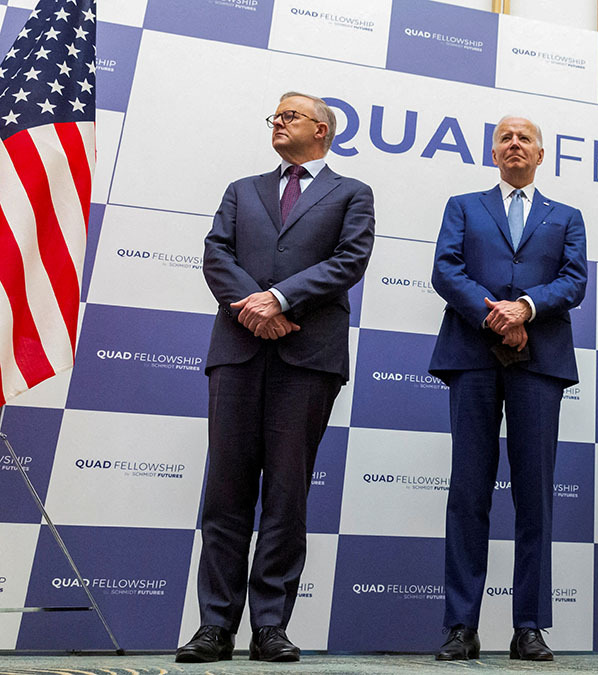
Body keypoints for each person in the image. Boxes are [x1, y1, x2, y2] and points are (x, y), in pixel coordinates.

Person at [177, 92, 374, 663]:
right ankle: (215, 626)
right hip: (238, 350)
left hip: (307, 357)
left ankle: (270, 626)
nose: (278, 123)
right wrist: (255, 307)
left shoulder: (353, 193)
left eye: (290, 116)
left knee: (287, 496)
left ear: (322, 129)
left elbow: (349, 260)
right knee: (226, 493)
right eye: (276, 116)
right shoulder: (242, 189)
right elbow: (217, 253)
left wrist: (281, 298)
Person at [428, 115, 587, 661]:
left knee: (535, 496)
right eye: (505, 138)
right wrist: (494, 314)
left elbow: (574, 280)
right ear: (493, 153)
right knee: (467, 492)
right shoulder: (463, 206)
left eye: (525, 138)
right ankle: (460, 626)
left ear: (540, 155)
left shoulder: (566, 216)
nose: (514, 143)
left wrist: (526, 308)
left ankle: (529, 627)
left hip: (539, 361)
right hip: (472, 354)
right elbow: (446, 270)